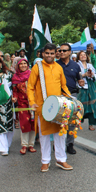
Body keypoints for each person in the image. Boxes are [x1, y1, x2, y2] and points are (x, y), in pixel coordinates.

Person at [27, 43, 73, 172]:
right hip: (43, 107)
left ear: (56, 54)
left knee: (60, 134)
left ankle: (61, 159)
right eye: (47, 53)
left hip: (58, 106)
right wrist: (32, 102)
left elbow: (63, 86)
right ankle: (45, 161)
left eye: (52, 53)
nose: (49, 55)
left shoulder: (58, 67)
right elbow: (30, 87)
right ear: (43, 53)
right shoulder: (37, 68)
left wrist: (70, 99)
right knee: (44, 135)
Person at [56, 43, 83, 154]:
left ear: (70, 52)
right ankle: (58, 144)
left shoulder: (75, 65)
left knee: (71, 120)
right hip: (59, 96)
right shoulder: (55, 65)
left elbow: (79, 79)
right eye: (60, 50)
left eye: (64, 50)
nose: (62, 52)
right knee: (59, 120)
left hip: (72, 96)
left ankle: (70, 144)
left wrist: (81, 82)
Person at [12, 58, 36, 155]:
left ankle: (31, 144)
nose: (23, 65)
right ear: (18, 66)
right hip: (22, 103)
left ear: (27, 65)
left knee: (33, 123)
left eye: (24, 63)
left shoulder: (32, 74)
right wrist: (14, 98)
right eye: (20, 64)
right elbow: (15, 91)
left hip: (33, 102)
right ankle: (24, 145)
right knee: (24, 123)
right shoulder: (15, 77)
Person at [76, 51, 96, 131]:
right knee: (80, 106)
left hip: (91, 86)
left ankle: (91, 124)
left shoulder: (90, 65)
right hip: (82, 87)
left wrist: (91, 75)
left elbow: (95, 75)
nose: (83, 56)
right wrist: (84, 75)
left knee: (92, 105)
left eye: (84, 55)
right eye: (81, 55)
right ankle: (77, 122)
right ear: (79, 57)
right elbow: (76, 75)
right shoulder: (77, 65)